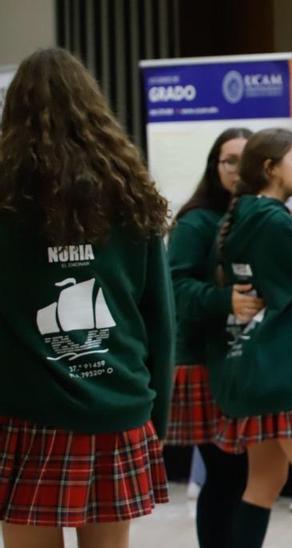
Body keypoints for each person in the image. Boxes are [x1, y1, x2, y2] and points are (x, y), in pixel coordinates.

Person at [0, 47, 174, 548]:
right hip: (118, 406)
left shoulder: (5, 202)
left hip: (25, 415)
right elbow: (159, 319)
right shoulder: (131, 195)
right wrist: (154, 417)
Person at [209, 128, 292, 548]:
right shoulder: (272, 222)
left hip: (258, 363)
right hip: (283, 368)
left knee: (265, 479)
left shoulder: (251, 217)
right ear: (270, 168)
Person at [169, 126, 257, 547]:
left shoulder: (258, 214)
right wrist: (226, 301)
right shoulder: (195, 221)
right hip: (202, 364)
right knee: (225, 477)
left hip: (242, 362)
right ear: (215, 166)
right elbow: (177, 288)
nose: (238, 170)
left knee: (244, 478)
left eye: (246, 160)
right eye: (229, 160)